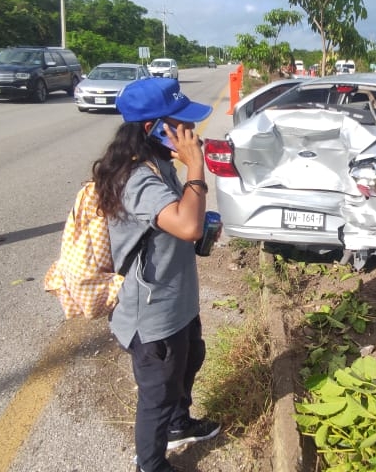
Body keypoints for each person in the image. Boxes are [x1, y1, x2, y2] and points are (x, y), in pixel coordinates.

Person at [93, 78, 220, 472]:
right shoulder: (137, 179)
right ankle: (150, 464)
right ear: (152, 128)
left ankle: (179, 425)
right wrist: (196, 165)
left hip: (176, 301)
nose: (190, 133)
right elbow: (187, 226)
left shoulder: (159, 164)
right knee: (157, 393)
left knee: (190, 359)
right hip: (151, 316)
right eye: (180, 124)